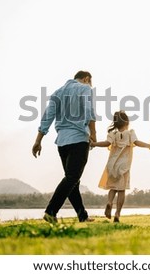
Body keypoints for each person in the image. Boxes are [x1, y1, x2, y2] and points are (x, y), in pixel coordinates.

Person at [32, 70, 97, 223]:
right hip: (79, 140)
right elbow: (89, 111)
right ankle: (50, 211)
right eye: (91, 83)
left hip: (62, 142)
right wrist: (93, 133)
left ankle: (83, 216)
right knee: (72, 178)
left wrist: (38, 140)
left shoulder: (57, 93)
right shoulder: (85, 88)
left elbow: (47, 116)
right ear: (86, 79)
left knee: (73, 181)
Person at [91, 111, 150, 223]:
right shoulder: (130, 133)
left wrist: (94, 144)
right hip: (124, 166)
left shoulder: (113, 134)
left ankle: (109, 202)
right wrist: (149, 145)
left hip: (112, 165)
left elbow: (106, 143)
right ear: (127, 122)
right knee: (121, 190)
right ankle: (117, 213)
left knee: (113, 188)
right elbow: (137, 142)